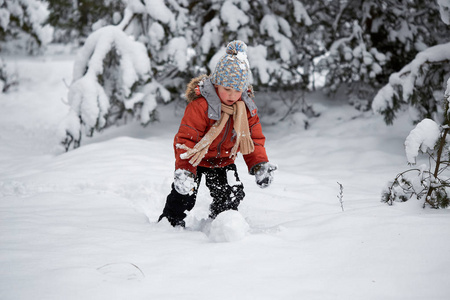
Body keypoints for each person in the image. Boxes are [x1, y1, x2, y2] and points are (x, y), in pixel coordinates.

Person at [158, 40, 277, 227]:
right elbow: (186, 139)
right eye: (227, 89)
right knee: (184, 194)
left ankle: (221, 222)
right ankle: (170, 222)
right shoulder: (201, 106)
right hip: (196, 160)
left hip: (224, 161)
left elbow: (253, 139)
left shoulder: (245, 110)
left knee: (231, 193)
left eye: (237, 90)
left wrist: (260, 164)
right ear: (216, 85)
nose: (232, 95)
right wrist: (185, 171)